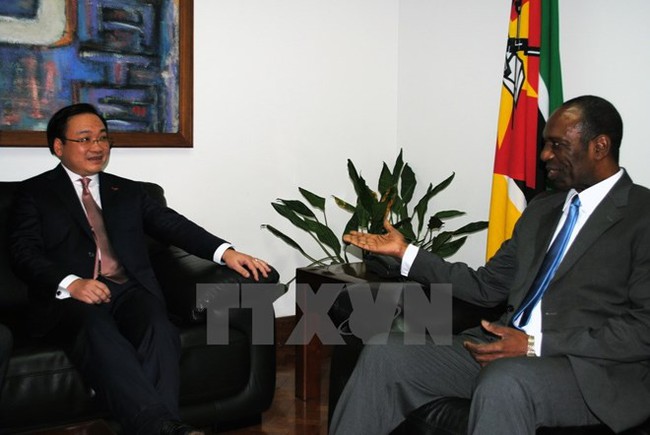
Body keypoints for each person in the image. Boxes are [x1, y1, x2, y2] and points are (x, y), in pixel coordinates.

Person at [330, 95, 650, 434]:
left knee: (504, 381)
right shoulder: (543, 209)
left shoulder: (641, 215)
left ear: (600, 146)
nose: (545, 156)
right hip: (502, 348)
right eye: (545, 145)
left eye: (557, 145)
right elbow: (486, 286)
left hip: (586, 370)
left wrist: (533, 345)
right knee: (385, 351)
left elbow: (643, 328)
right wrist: (406, 253)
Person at [8, 103, 272, 435]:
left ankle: (161, 426)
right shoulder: (34, 193)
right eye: (85, 138)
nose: (98, 146)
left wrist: (226, 252)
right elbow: (23, 251)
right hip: (69, 298)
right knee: (96, 328)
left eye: (103, 138)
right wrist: (71, 283)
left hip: (128, 290)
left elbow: (174, 226)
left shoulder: (129, 191)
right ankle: (162, 427)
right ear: (58, 146)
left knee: (158, 326)